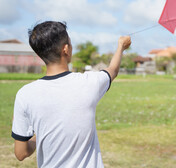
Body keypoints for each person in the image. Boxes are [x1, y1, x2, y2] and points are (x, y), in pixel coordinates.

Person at [11, 21, 131, 167]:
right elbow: (113, 70)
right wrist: (121, 47)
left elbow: (21, 153)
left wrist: (40, 134)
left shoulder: (25, 94)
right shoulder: (89, 83)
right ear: (66, 49)